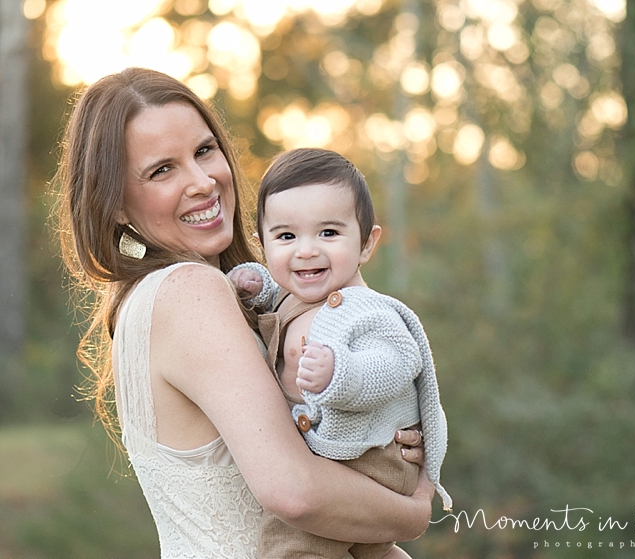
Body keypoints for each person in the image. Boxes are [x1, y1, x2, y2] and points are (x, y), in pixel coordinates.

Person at [53, 67, 434, 559]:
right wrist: (416, 505)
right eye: (162, 170)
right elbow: (293, 490)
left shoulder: (163, 300)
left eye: (204, 150)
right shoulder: (188, 289)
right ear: (117, 205)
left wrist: (366, 430)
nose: (202, 181)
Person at [228, 148, 451, 559]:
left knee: (293, 544)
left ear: (366, 243)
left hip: (364, 460)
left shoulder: (369, 309)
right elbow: (274, 299)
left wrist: (342, 376)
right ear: (263, 245)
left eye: (328, 233)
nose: (306, 250)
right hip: (343, 457)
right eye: (286, 236)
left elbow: (397, 362)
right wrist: (254, 285)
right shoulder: (292, 297)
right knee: (375, 552)